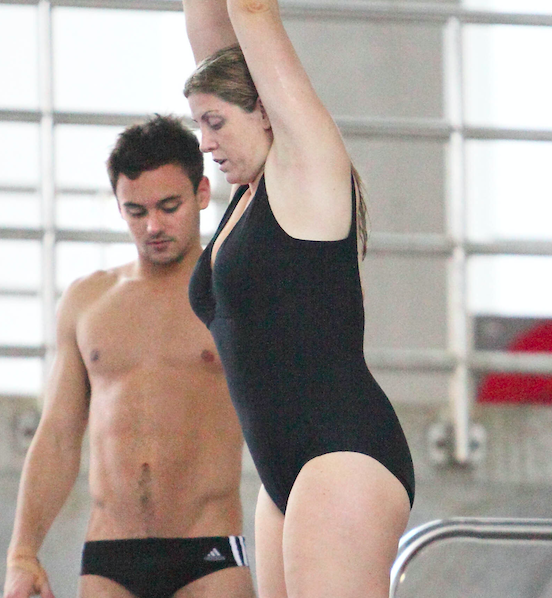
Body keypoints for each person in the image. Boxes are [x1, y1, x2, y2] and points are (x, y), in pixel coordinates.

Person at [182, 1, 415, 597]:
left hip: (342, 455)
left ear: (265, 110)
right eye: (198, 125)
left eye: (214, 122)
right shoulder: (250, 189)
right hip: (284, 476)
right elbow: (214, 35)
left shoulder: (304, 165)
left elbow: (253, 12)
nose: (204, 143)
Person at [3, 115, 255, 598]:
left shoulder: (234, 294)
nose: (154, 226)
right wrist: (22, 552)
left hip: (209, 555)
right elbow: (56, 436)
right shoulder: (87, 302)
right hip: (110, 559)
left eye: (169, 206)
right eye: (136, 211)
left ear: (203, 193)